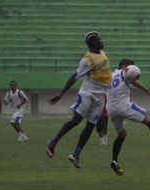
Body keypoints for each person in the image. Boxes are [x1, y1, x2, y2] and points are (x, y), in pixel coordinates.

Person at [46, 32, 112, 169]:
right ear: (93, 43)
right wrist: (60, 95)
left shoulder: (101, 52)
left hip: (100, 97)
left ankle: (75, 154)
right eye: (99, 39)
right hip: (88, 94)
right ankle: (52, 143)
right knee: (76, 120)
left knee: (90, 127)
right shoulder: (87, 60)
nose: (101, 40)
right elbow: (73, 77)